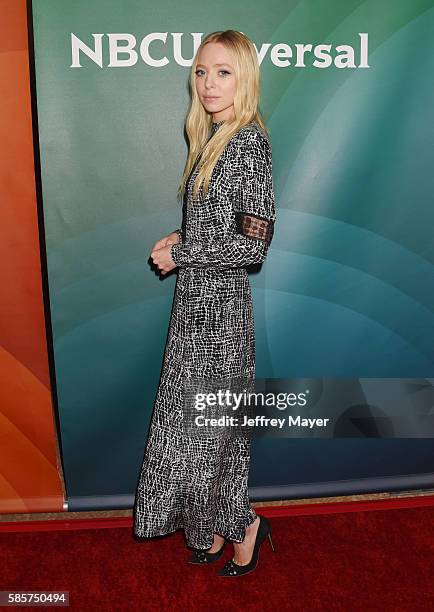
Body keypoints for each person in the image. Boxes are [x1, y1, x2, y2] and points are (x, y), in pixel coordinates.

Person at [133, 29, 276, 577]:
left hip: (220, 320)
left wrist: (185, 251)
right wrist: (180, 236)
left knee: (215, 433)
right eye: (201, 71)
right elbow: (220, 224)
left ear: (244, 78)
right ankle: (213, 527)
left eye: (223, 72)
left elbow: (253, 244)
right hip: (194, 309)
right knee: (198, 431)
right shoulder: (211, 134)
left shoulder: (247, 141)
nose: (209, 83)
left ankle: (244, 527)